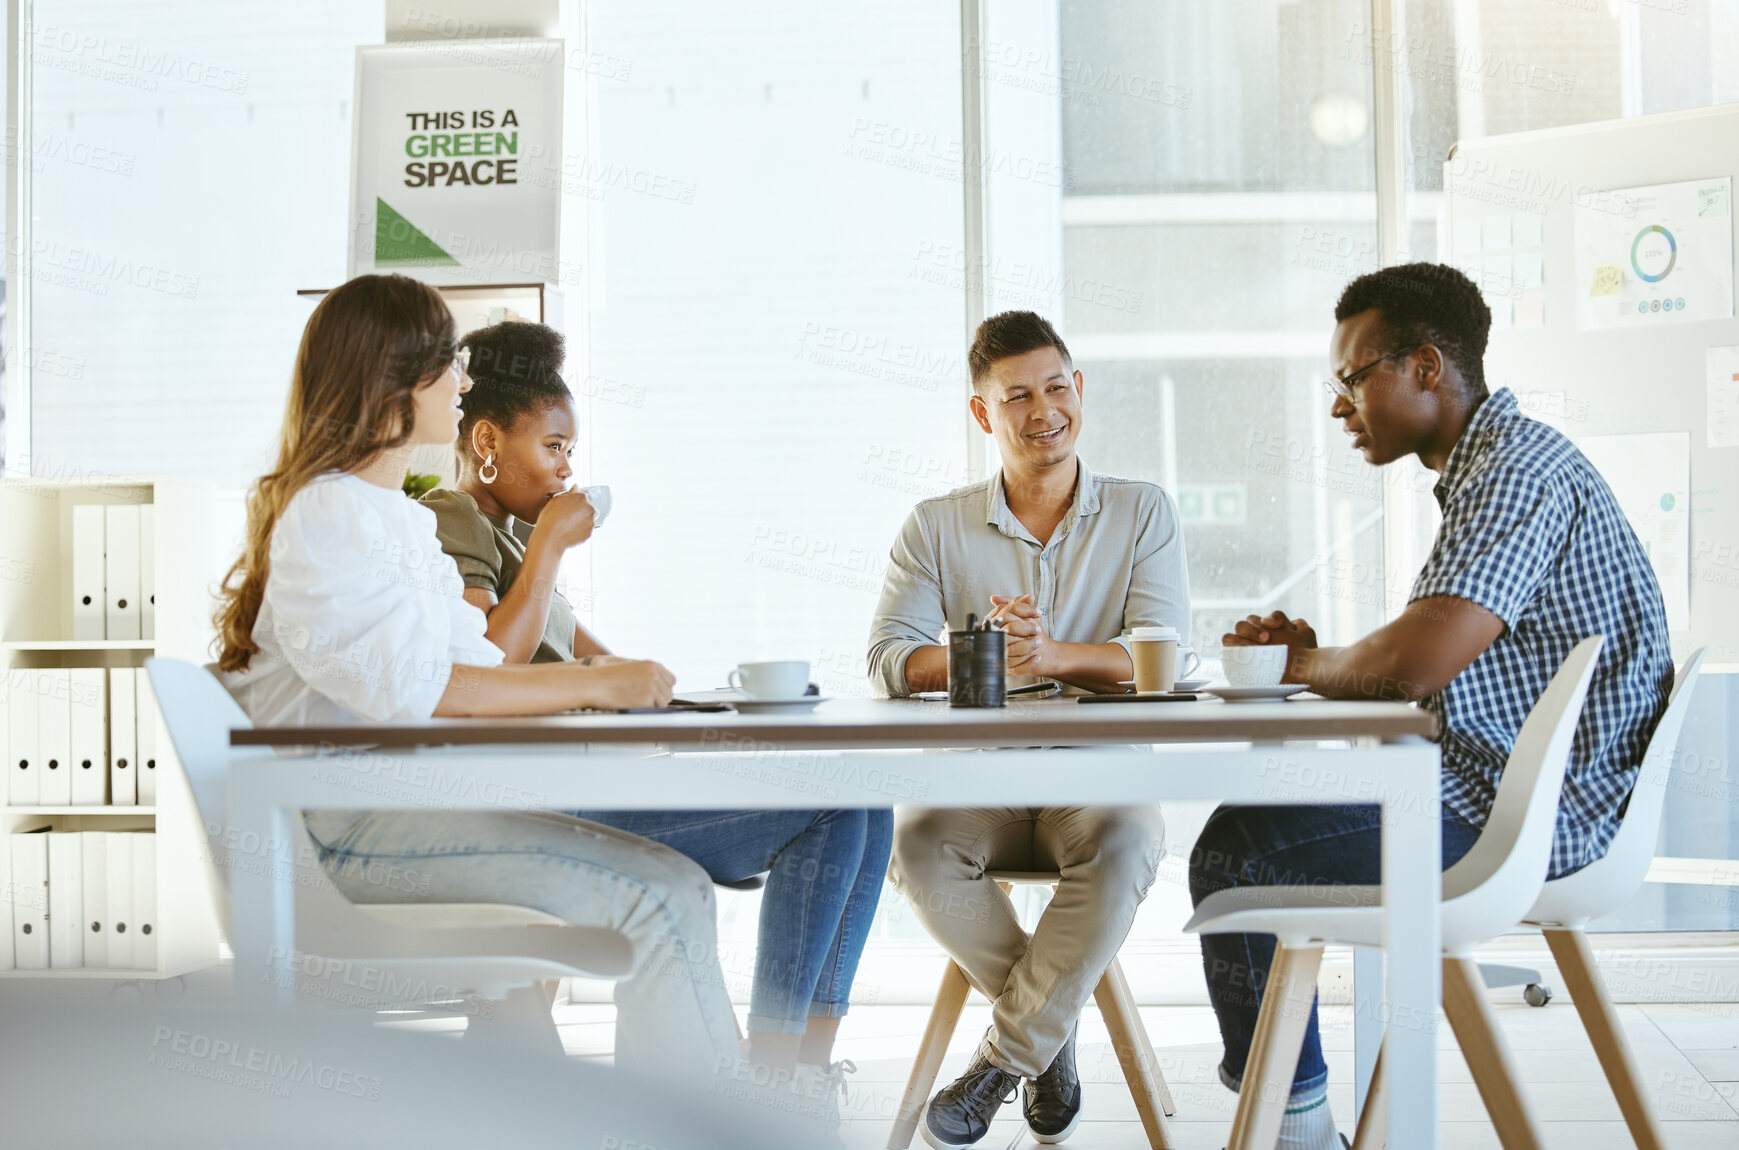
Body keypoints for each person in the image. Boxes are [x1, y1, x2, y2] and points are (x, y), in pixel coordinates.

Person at [1190, 262, 1673, 1150]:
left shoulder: (1515, 472)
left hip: (1518, 824)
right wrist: (1320, 658)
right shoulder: (1497, 464)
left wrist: (1301, 661)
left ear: (1421, 367)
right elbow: (1423, 652)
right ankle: (1298, 1118)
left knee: (1236, 850)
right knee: (1251, 830)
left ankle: (1294, 1131)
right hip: (1502, 800)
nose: (1339, 406)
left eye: (1350, 378)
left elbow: (1412, 666)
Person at [214, 274, 739, 1084]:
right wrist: (596, 686)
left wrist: (599, 678)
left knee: (674, 886)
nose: (464, 382)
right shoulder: (330, 513)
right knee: (661, 895)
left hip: (405, 808)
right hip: (350, 831)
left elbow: (480, 665)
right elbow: (423, 691)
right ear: (395, 382)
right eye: (448, 365)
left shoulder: (395, 516)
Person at [420, 319, 892, 1092]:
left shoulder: (510, 535)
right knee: (838, 808)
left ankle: (803, 1073)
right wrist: (548, 550)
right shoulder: (457, 521)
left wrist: (692, 697)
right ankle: (775, 1081)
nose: (567, 469)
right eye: (553, 447)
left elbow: (598, 663)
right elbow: (482, 667)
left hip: (589, 785)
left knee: (866, 802)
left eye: (571, 451)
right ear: (486, 443)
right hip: (544, 812)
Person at [867, 311, 1188, 1148]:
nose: (1042, 409)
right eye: (1016, 396)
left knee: (1123, 846)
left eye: (1055, 387)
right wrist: (987, 660)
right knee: (914, 850)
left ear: (1077, 392)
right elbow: (888, 660)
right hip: (980, 778)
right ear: (984, 415)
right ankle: (1048, 1038)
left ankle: (1000, 1063)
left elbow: (1158, 658)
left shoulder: (1140, 510)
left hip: (1097, 775)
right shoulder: (935, 524)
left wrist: (1053, 653)